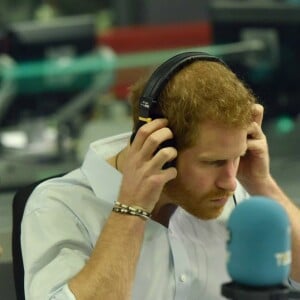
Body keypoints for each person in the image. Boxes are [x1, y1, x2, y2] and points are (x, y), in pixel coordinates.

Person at [21, 52, 300, 300]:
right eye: (213, 162)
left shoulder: (233, 191)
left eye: (236, 157)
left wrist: (262, 184)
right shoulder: (59, 207)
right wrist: (132, 208)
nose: (229, 181)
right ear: (161, 146)